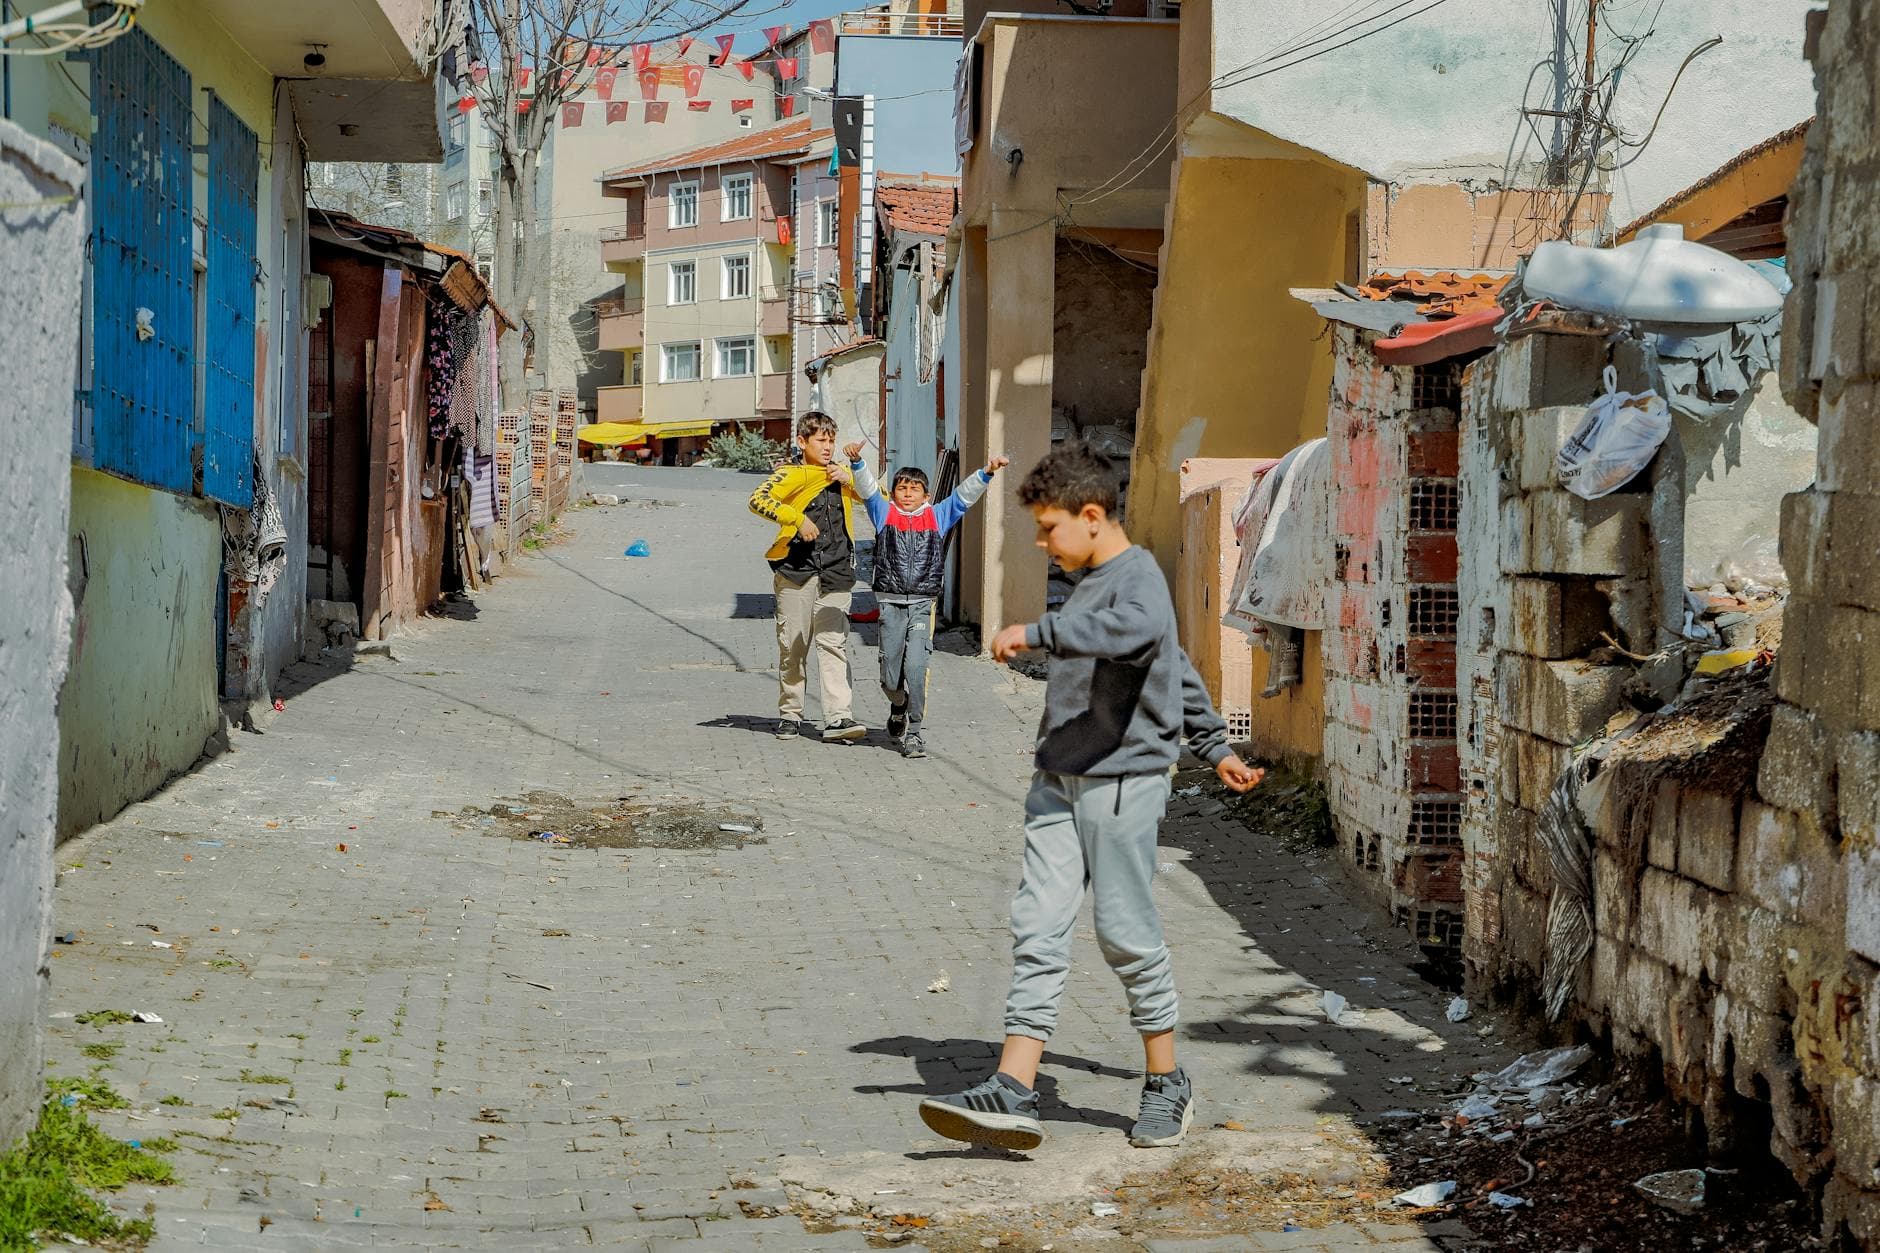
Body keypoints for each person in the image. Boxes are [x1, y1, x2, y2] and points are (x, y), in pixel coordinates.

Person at [917, 442, 1265, 1152]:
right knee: (1037, 925)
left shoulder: (1134, 580)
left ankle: (1167, 1081)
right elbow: (1175, 666)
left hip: (1123, 780)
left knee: (1126, 933)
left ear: (1093, 515)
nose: (1044, 543)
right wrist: (1216, 745)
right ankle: (1013, 1089)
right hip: (1059, 777)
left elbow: (1139, 635)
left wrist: (1038, 632)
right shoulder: (1096, 576)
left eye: (1049, 529)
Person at [844, 441, 1010, 759]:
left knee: (917, 668)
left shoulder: (937, 516)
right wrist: (857, 463)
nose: (908, 493)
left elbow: (964, 496)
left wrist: (987, 472)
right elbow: (866, 489)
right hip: (891, 604)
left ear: (926, 495)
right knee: (889, 676)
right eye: (902, 488)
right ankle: (898, 705)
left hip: (922, 604)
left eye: (915, 488)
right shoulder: (884, 514)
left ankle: (915, 733)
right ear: (893, 494)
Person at [747, 413, 867, 743]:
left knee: (834, 644)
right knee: (793, 646)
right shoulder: (791, 474)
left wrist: (853, 474)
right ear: (803, 442)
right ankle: (791, 713)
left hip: (838, 571)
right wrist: (797, 519)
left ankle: (839, 717)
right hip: (796, 572)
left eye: (832, 440)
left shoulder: (841, 475)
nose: (828, 447)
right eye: (821, 441)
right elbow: (757, 500)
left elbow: (879, 498)